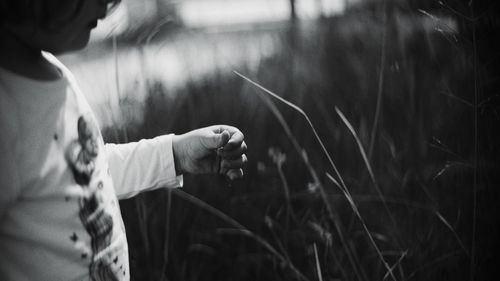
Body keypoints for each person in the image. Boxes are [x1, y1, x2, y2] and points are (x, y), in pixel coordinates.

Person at [0, 0, 248, 280]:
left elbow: (88, 174)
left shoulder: (53, 71)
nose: (107, 6)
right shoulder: (7, 114)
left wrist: (175, 153)